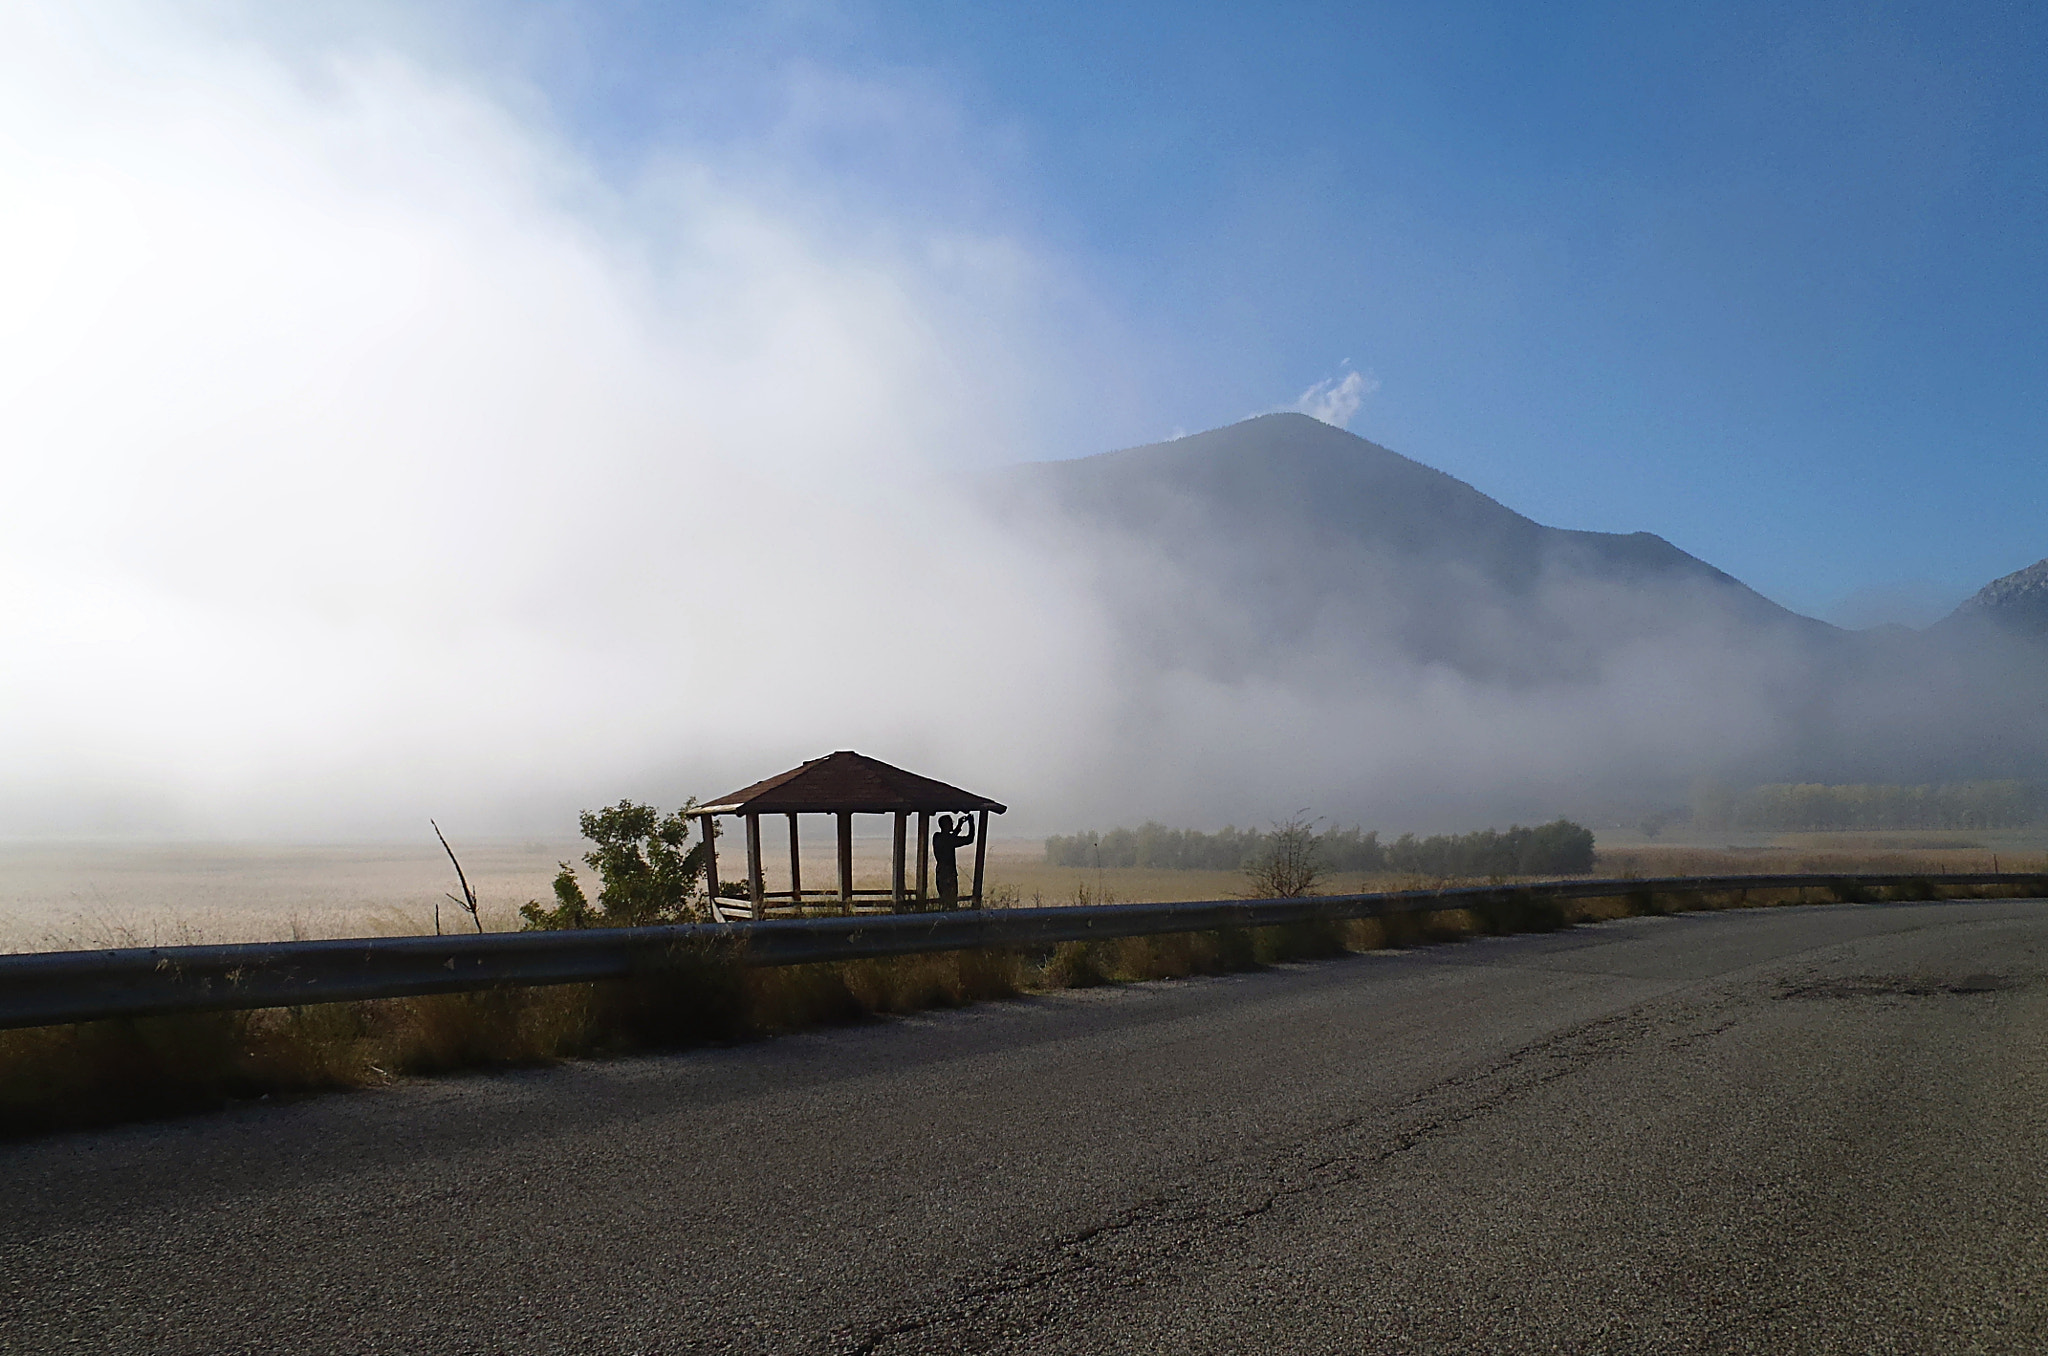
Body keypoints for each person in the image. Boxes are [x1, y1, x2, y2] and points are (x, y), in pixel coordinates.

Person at [931, 813, 976, 911]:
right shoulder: (947, 839)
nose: (952, 824)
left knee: (944, 899)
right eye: (951, 823)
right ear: (946, 825)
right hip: (948, 873)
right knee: (950, 900)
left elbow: (950, 838)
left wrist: (959, 826)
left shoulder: (937, 837)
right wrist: (971, 824)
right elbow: (969, 839)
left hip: (940, 871)